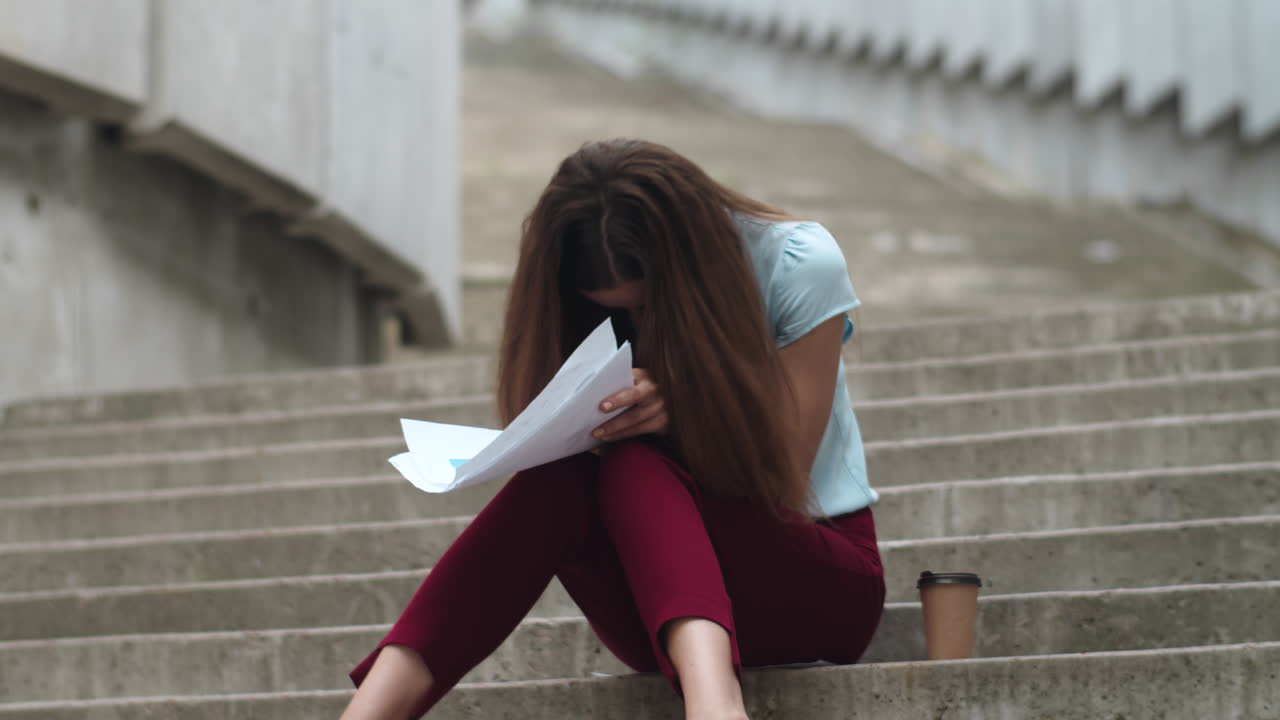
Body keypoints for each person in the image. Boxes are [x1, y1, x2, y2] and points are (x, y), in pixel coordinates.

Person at [339, 138, 884, 719]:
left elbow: (789, 470)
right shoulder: (574, 300)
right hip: (659, 614)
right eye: (616, 310)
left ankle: (717, 708)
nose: (638, 321)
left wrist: (686, 409)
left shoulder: (797, 262)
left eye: (647, 303)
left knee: (633, 457)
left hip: (812, 577)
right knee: (565, 471)